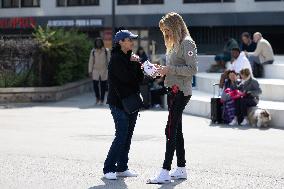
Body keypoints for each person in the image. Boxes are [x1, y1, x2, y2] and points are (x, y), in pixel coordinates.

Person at [147, 12, 198, 184]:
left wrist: (169, 69)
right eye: (164, 31)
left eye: (167, 30)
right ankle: (181, 168)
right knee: (176, 129)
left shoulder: (187, 43)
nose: (166, 34)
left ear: (176, 26)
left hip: (181, 91)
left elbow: (192, 69)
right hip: (173, 89)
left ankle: (165, 171)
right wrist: (160, 70)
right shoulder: (176, 43)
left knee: (170, 129)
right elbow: (174, 67)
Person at [103, 30, 144, 180]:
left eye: (132, 40)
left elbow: (140, 79)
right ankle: (108, 168)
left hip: (131, 103)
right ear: (120, 42)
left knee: (127, 136)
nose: (132, 42)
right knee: (121, 136)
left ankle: (122, 167)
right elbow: (127, 79)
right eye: (129, 40)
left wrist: (137, 63)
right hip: (118, 104)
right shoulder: (116, 59)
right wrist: (134, 64)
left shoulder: (130, 58)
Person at [88, 38, 110, 105]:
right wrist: (90, 71)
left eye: (99, 42)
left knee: (103, 86)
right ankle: (97, 97)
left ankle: (102, 99)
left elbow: (109, 61)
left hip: (104, 70)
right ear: (95, 43)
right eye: (97, 42)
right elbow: (91, 62)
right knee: (95, 85)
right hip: (95, 70)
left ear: (102, 43)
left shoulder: (106, 51)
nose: (98, 43)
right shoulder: (93, 51)